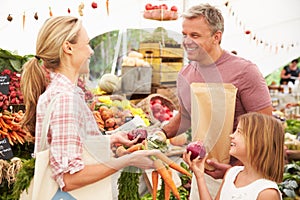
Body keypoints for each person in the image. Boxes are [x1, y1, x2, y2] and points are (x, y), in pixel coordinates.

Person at [20, 16, 159, 197]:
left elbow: (74, 146)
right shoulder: (65, 99)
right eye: (86, 44)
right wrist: (127, 160)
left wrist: (111, 138)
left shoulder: (64, 92)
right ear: (68, 47)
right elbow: (69, 179)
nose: (91, 51)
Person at [160, 3, 273, 199]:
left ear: (216, 37)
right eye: (184, 34)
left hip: (245, 176)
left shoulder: (245, 72)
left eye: (195, 36)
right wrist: (157, 136)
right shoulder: (186, 74)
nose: (187, 41)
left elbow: (268, 129)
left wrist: (233, 169)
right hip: (202, 173)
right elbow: (185, 117)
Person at [183, 112, 285, 200]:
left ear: (258, 143)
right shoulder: (232, 173)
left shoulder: (266, 193)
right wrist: (199, 175)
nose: (231, 135)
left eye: (239, 132)